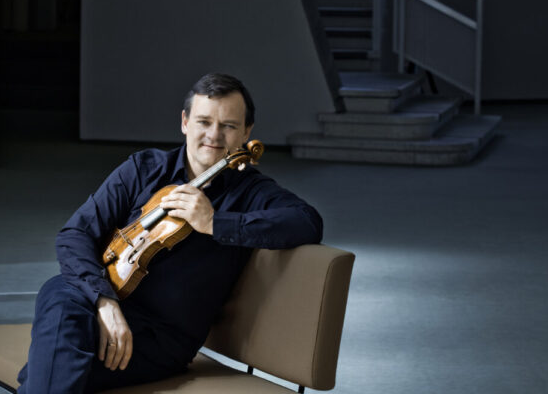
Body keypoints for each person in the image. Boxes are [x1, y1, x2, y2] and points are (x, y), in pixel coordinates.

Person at [17, 73, 323, 393]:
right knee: (60, 293)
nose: (214, 135)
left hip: (158, 340)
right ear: (185, 122)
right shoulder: (144, 168)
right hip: (101, 310)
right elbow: (75, 234)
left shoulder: (252, 192)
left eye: (229, 126)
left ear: (247, 132)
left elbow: (307, 221)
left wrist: (214, 223)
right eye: (204, 121)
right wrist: (106, 303)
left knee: (47, 366)